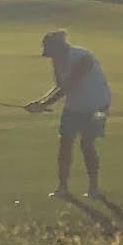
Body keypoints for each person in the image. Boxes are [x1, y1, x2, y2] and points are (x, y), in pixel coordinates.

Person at [28, 28, 110, 200]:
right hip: (74, 106)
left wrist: (43, 105)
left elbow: (69, 85)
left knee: (87, 144)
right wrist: (40, 102)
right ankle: (62, 187)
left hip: (97, 106)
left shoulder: (83, 58)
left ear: (60, 48)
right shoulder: (57, 60)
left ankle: (94, 188)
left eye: (51, 52)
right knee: (65, 144)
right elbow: (59, 85)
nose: (50, 57)